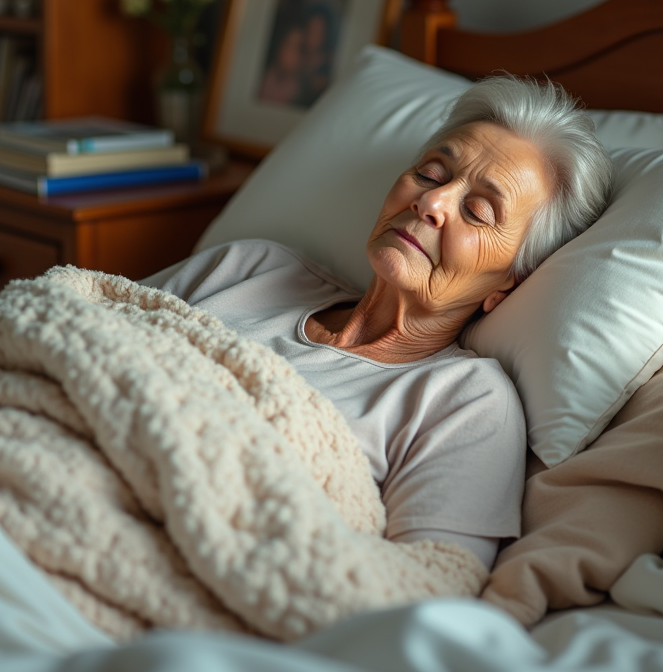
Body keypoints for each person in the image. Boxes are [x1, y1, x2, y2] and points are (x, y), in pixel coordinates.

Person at [142, 75, 613, 569]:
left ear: (508, 284)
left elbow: (428, 581)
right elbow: (79, 321)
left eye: (477, 211)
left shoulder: (464, 403)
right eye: (430, 174)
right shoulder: (247, 269)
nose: (431, 203)